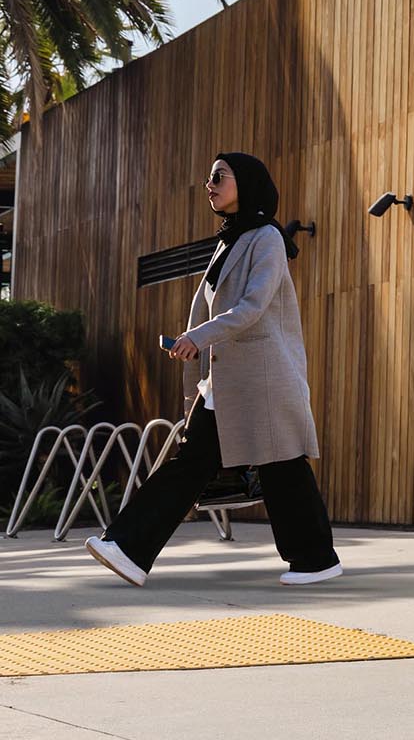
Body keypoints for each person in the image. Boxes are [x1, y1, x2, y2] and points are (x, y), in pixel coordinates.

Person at [85, 153, 342, 587]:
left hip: (261, 378)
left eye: (219, 177)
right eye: (209, 178)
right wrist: (195, 365)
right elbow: (209, 311)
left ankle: (315, 559)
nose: (210, 184)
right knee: (207, 463)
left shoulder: (266, 238)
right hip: (225, 382)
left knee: (282, 467)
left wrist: (199, 338)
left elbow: (253, 307)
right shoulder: (229, 241)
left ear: (246, 183)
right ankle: (129, 548)